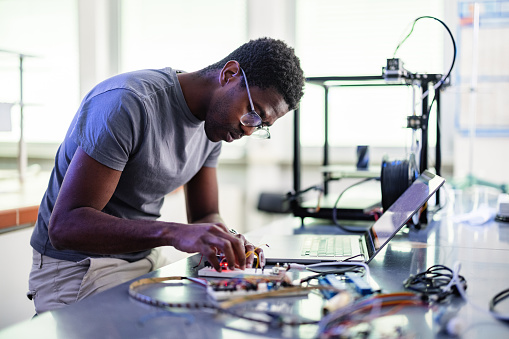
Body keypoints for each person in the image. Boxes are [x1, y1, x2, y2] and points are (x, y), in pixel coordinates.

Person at [27, 37, 305, 314]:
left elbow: (205, 215)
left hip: (143, 258)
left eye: (260, 126)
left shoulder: (215, 126)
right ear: (229, 75)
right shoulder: (129, 103)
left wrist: (227, 238)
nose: (247, 130)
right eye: (253, 114)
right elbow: (65, 227)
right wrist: (172, 232)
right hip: (78, 267)